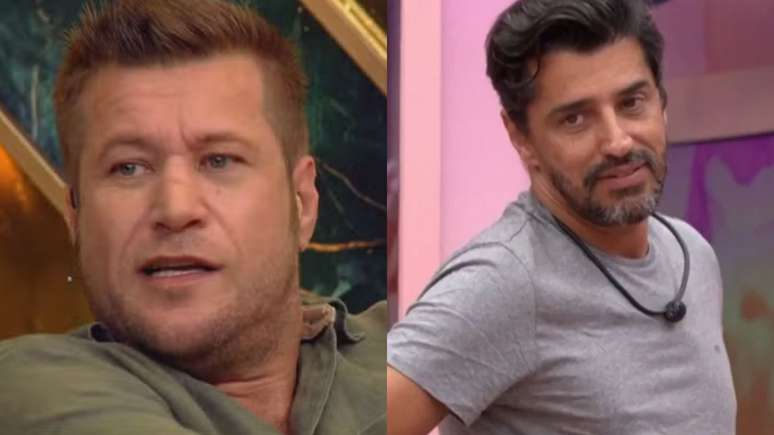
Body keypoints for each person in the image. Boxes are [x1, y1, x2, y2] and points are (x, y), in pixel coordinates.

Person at [0, 1, 385, 434]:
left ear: (303, 202)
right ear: (75, 215)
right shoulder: (28, 389)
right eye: (129, 168)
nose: (176, 209)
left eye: (219, 160)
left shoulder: (400, 338)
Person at [387, 0, 736, 433]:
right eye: (575, 119)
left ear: (662, 103)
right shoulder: (503, 281)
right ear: (521, 137)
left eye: (631, 103)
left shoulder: (693, 255)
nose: (618, 141)